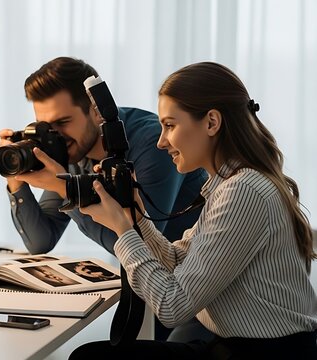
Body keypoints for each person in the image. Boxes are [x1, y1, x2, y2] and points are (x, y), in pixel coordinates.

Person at [71, 62, 317, 358]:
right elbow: (177, 262)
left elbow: (172, 307)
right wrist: (135, 215)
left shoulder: (243, 191)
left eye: (170, 125)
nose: (161, 142)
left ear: (212, 122)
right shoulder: (228, 184)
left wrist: (123, 230)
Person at [0, 56, 209, 341]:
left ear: (96, 111)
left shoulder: (150, 144)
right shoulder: (71, 151)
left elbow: (141, 244)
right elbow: (41, 240)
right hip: (149, 291)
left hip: (197, 296)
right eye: (45, 126)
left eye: (63, 122)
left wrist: (65, 189)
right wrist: (16, 177)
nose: (55, 136)